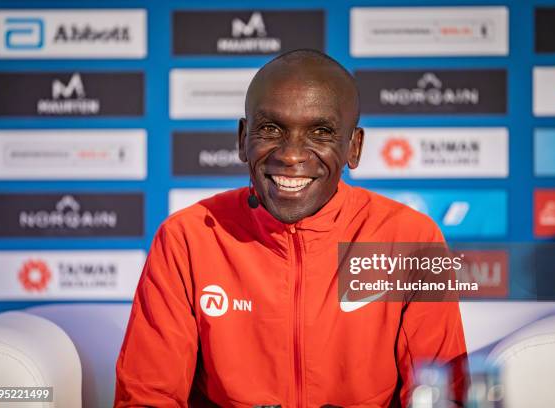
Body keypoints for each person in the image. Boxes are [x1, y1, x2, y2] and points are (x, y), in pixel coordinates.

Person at [115, 49, 468, 407]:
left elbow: (442, 396)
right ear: (242, 138)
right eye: (271, 129)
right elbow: (147, 397)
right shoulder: (187, 238)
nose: (292, 155)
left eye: (321, 132)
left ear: (354, 147)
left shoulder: (411, 241)